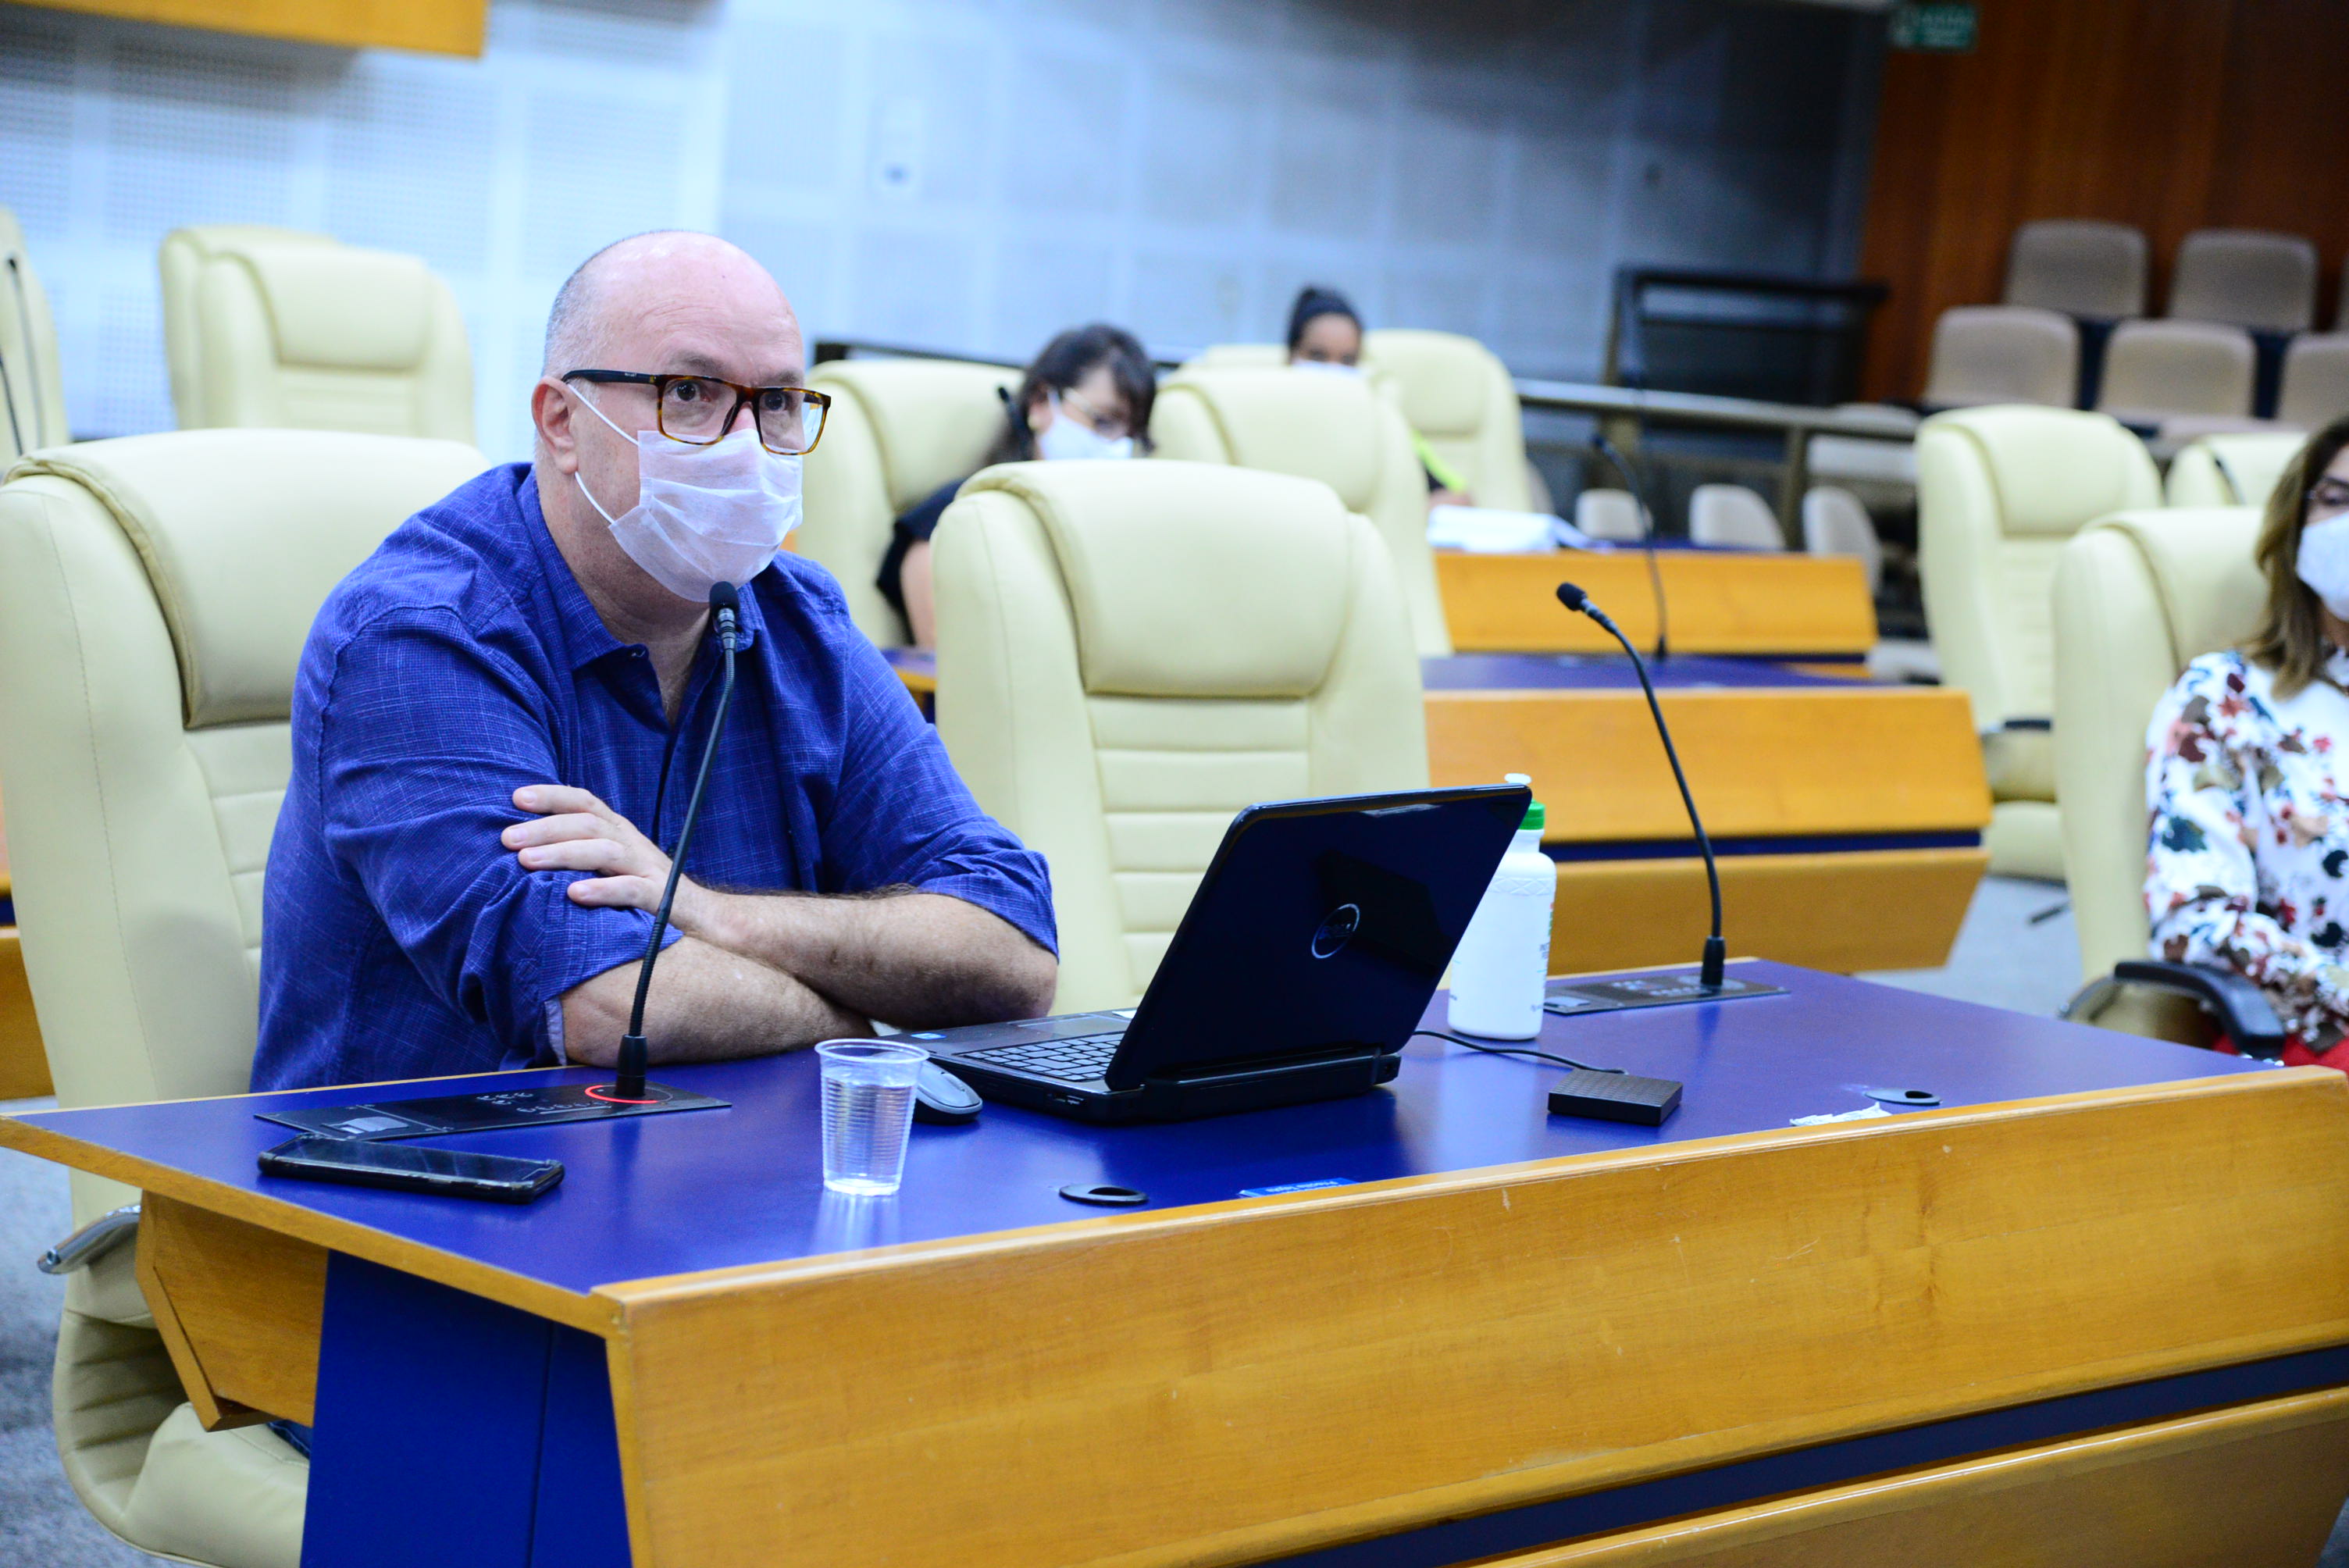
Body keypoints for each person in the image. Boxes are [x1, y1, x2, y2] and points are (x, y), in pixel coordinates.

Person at [255, 231, 1058, 1089]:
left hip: (740, 1151)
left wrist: (708, 912)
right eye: (690, 393)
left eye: (778, 402)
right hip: (423, 1164)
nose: (748, 443)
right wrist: (863, 1028)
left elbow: (1013, 951)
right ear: (562, 422)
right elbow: (610, 1003)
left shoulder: (799, 617)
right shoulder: (420, 635)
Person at [2145, 412, 2349, 1069]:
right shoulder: (2225, 697)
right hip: (2311, 1037)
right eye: (2338, 499)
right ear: (2297, 524)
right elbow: (2195, 922)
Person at [876, 324, 1154, 647]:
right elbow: (955, 664)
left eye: (1133, 434)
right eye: (1104, 421)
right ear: (1040, 402)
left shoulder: (1127, 534)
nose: (1117, 447)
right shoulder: (947, 525)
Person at [1283, 285, 1472, 509]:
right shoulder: (1266, 421)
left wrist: (1399, 514)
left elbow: (1459, 498)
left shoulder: (1383, 421)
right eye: (1318, 356)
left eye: (1347, 360)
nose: (1334, 370)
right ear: (1291, 356)